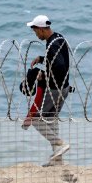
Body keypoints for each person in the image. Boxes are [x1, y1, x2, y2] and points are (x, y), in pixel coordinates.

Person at [27, 14, 73, 166]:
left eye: (35, 32)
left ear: (41, 29)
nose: (36, 35)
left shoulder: (51, 46)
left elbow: (59, 66)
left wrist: (43, 75)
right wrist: (42, 58)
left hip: (54, 89)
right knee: (51, 120)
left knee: (35, 119)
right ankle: (57, 158)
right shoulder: (58, 38)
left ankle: (60, 143)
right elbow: (59, 59)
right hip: (64, 87)